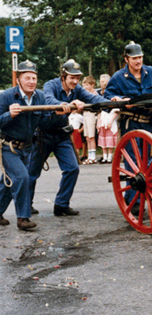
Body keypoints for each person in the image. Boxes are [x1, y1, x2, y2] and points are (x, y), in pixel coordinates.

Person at [29, 59, 108, 217]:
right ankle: (26, 205)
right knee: (32, 172)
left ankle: (61, 205)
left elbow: (93, 98)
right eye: (72, 77)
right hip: (43, 135)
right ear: (63, 76)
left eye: (77, 78)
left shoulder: (77, 89)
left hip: (61, 134)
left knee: (73, 168)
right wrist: (67, 103)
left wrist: (112, 102)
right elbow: (48, 100)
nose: (75, 81)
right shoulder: (51, 85)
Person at [0, 61, 67, 230]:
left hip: (28, 147)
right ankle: (23, 218)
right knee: (22, 177)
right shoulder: (6, 96)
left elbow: (44, 122)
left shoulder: (40, 96)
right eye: (27, 78)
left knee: (8, 183)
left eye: (34, 78)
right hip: (8, 147)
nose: (31, 81)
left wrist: (58, 114)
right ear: (19, 80)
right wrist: (10, 115)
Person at [104, 41, 152, 210]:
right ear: (126, 59)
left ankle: (135, 195)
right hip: (130, 122)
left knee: (147, 162)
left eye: (140, 57)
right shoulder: (119, 77)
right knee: (133, 161)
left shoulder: (151, 72)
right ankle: (135, 203)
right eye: (134, 58)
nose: (138, 61)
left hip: (148, 122)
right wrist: (117, 100)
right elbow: (108, 96)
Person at [81, 76, 99, 164]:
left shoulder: (94, 94)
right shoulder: (85, 94)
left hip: (91, 115)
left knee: (91, 137)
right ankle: (89, 156)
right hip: (85, 114)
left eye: (87, 84)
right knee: (87, 137)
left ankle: (93, 157)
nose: (84, 86)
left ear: (92, 85)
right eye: (84, 84)